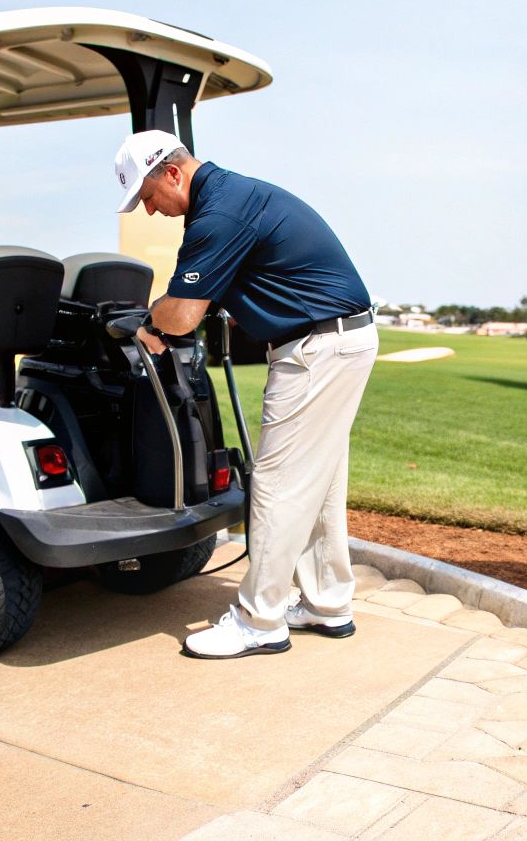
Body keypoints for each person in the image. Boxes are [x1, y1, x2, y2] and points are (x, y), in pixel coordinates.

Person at [111, 128, 377, 659]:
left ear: (171, 172)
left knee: (279, 486)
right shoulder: (229, 198)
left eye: (147, 197)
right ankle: (327, 604)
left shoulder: (219, 215)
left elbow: (182, 316)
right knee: (318, 485)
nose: (150, 211)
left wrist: (148, 325)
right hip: (339, 339)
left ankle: (259, 619)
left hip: (316, 348)